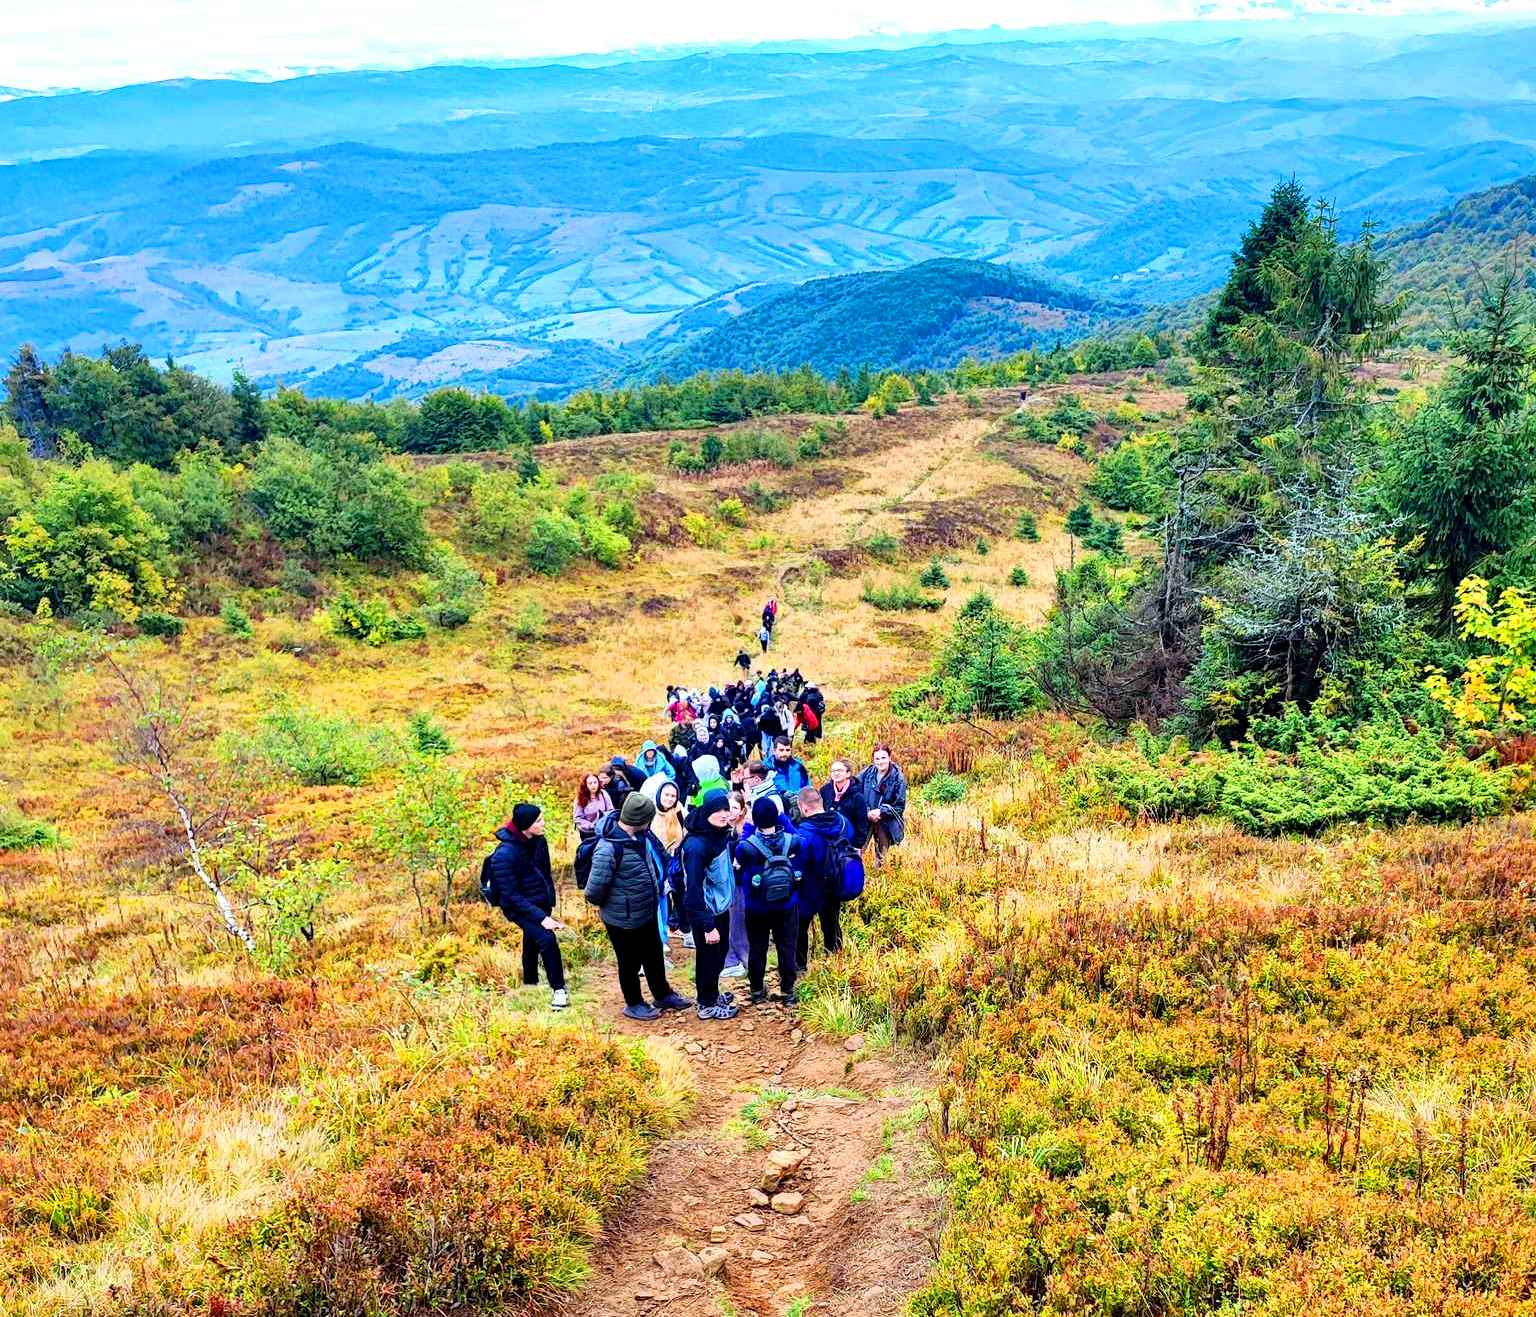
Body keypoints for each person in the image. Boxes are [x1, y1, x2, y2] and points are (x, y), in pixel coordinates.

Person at [584, 792, 693, 1021]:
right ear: (639, 819)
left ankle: (662, 994)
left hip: (646, 911)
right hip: (622, 919)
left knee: (653, 955)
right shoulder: (609, 847)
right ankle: (633, 1003)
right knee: (629, 962)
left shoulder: (641, 836)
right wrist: (620, 902)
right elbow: (594, 891)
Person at [486, 803, 568, 1010]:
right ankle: (559, 990)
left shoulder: (539, 841)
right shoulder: (504, 855)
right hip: (516, 907)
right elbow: (510, 895)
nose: (543, 824)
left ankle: (530, 983)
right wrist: (542, 918)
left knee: (531, 940)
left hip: (539, 901)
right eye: (538, 821)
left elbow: (545, 872)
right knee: (546, 939)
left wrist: (548, 900)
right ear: (525, 825)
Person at [682, 788, 741, 1021]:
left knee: (719, 953)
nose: (724, 814)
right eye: (718, 810)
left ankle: (712, 992)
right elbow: (693, 890)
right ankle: (706, 1004)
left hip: (720, 907)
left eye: (726, 809)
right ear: (707, 811)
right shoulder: (696, 847)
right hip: (706, 912)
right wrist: (707, 925)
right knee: (708, 957)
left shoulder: (718, 834)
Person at [736, 797, 802, 1004]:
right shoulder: (793, 841)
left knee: (757, 947)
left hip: (757, 906)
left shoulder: (746, 847)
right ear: (777, 816)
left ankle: (756, 990)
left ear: (754, 819)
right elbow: (801, 843)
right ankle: (788, 991)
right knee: (787, 946)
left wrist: (748, 827)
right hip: (787, 904)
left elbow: (738, 867)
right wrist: (783, 817)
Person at [792, 785, 851, 969]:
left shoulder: (804, 833)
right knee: (832, 924)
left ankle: (800, 967)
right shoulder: (842, 822)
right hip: (836, 883)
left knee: (800, 928)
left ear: (804, 807)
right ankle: (835, 964)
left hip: (810, 888)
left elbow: (798, 863)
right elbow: (852, 838)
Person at [645, 775, 689, 948]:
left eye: (673, 796)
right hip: (656, 861)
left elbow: (686, 832)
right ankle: (660, 937)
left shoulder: (679, 811)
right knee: (661, 899)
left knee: (680, 895)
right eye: (666, 795)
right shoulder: (650, 813)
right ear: (659, 795)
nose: (670, 799)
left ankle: (685, 930)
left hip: (676, 859)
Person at [860, 744, 909, 866]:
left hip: (885, 820)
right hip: (866, 816)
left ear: (889, 758)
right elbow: (855, 790)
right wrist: (866, 812)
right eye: (877, 759)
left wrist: (881, 812)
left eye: (883, 758)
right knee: (857, 848)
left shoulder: (898, 778)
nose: (880, 762)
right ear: (873, 760)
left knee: (882, 853)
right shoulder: (867, 773)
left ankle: (880, 875)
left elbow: (899, 806)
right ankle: (854, 873)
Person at [821, 758, 872, 849]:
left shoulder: (858, 796)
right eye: (833, 771)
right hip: (827, 842)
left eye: (839, 770)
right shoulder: (825, 791)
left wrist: (856, 846)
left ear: (848, 773)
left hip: (849, 843)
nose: (836, 773)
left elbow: (862, 824)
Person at [770, 737, 811, 807]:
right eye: (781, 750)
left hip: (799, 805)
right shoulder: (767, 767)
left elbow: (807, 786)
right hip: (777, 807)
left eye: (787, 750)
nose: (785, 753)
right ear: (774, 751)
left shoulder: (798, 766)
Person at [573, 772, 613, 837]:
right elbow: (578, 818)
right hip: (587, 832)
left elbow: (610, 810)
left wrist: (605, 821)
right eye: (590, 783)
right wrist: (591, 825)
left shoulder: (603, 794)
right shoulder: (580, 798)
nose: (593, 785)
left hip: (603, 829)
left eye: (595, 782)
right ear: (585, 785)